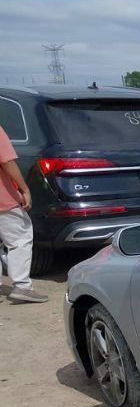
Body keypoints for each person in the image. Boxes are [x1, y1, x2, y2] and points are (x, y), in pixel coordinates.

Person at [0, 123, 47, 303]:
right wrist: (24, 188)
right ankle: (22, 286)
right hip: (4, 198)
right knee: (20, 238)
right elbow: (7, 161)